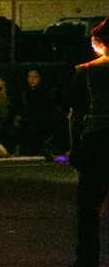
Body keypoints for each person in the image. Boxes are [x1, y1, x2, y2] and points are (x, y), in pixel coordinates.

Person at [67, 19, 109, 267]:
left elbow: (75, 115)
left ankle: (87, 258)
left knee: (90, 207)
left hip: (96, 141)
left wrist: (74, 150)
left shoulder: (87, 71)